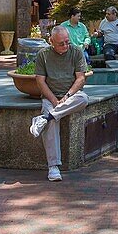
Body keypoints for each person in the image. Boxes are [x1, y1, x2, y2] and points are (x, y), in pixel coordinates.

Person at [28, 25, 91, 182]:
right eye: (61, 43)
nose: (65, 46)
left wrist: (67, 96)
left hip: (70, 96)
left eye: (67, 42)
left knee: (83, 99)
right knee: (52, 123)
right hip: (50, 97)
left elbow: (81, 78)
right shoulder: (43, 55)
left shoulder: (76, 52)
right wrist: (54, 100)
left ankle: (44, 118)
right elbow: (40, 82)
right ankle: (53, 166)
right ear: (51, 42)